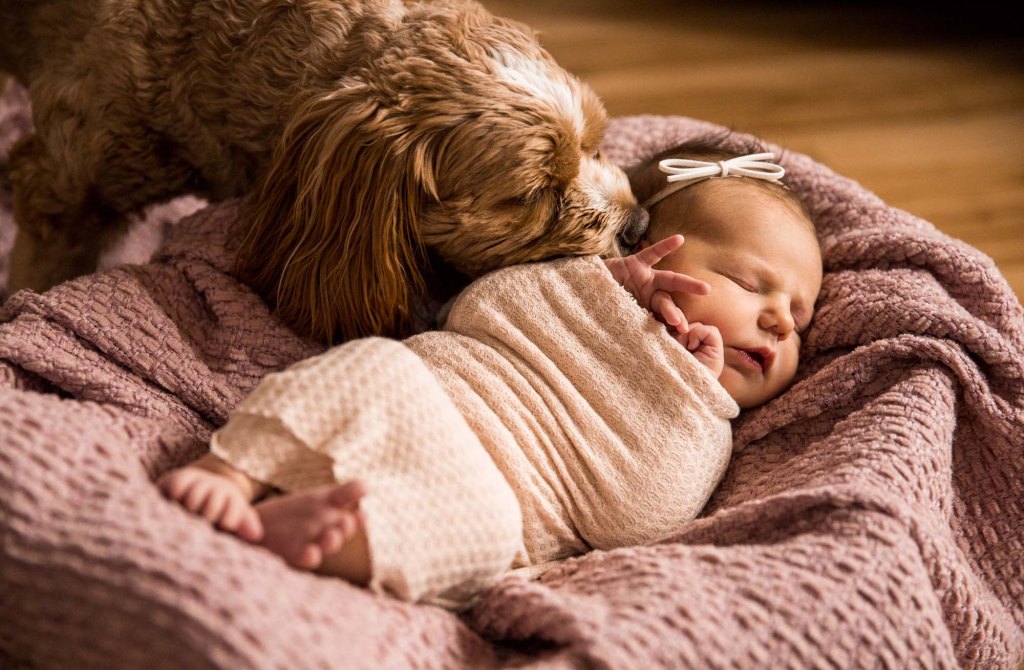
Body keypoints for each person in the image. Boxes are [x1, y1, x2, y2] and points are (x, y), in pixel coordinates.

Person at [157, 140, 823, 607]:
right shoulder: (578, 285)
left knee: (480, 537)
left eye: (799, 317)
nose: (779, 322)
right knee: (375, 365)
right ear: (643, 247)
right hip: (424, 397)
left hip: (485, 492)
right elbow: (477, 312)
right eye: (748, 283)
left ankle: (319, 540)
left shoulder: (706, 430)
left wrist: (691, 398)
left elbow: (633, 516)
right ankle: (233, 471)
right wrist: (594, 287)